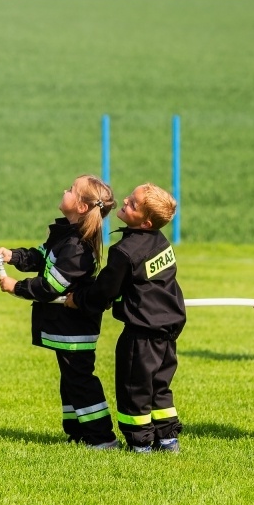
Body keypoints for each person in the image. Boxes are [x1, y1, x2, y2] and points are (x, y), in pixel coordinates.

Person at [0, 175, 119, 449]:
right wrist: (11, 256)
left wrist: (16, 287)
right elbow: (41, 256)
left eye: (71, 190)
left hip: (75, 328)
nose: (65, 190)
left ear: (82, 207)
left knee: (81, 381)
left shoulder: (78, 248)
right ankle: (77, 433)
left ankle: (102, 438)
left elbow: (51, 286)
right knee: (71, 381)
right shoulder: (65, 235)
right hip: (63, 326)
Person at [65, 183, 186, 453]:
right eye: (131, 196)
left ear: (144, 222)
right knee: (159, 387)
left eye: (133, 204)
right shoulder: (160, 241)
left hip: (141, 334)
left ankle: (140, 444)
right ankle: (168, 440)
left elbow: (103, 292)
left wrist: (79, 299)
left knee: (134, 390)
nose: (126, 201)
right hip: (167, 331)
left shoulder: (125, 252)